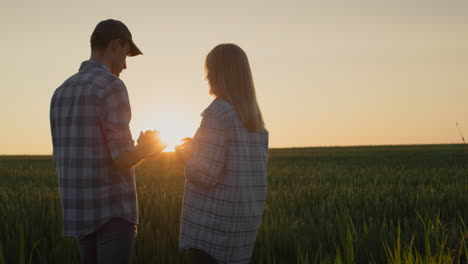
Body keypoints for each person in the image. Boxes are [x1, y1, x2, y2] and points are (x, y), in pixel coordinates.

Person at [49, 19, 166, 264]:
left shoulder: (61, 92)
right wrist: (150, 147)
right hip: (112, 213)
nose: (125, 65)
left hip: (78, 213)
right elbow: (122, 157)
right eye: (126, 54)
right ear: (115, 45)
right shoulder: (112, 86)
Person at [176, 43, 269, 264]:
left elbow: (206, 175)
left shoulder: (217, 113)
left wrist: (187, 157)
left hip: (213, 232)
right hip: (241, 231)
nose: (206, 78)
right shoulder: (255, 120)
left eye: (209, 72)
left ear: (218, 74)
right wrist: (198, 145)